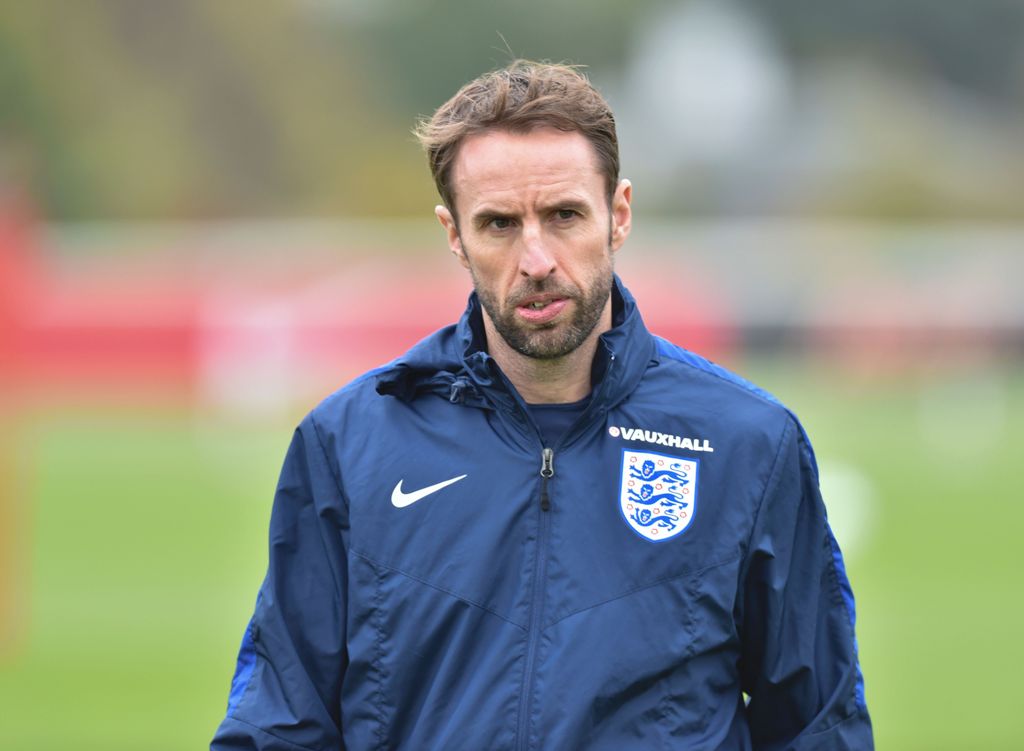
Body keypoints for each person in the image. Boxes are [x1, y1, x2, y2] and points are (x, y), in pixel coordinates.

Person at [211, 60, 873, 750]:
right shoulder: (350, 442)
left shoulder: (748, 443)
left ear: (617, 214)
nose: (536, 258)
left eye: (563, 215)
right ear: (454, 235)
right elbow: (281, 717)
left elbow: (818, 724)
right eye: (499, 224)